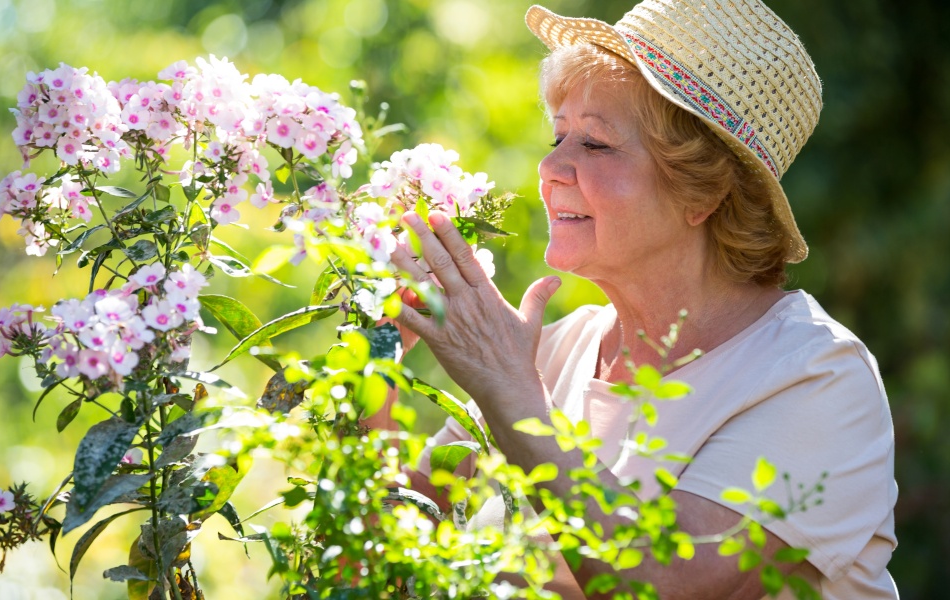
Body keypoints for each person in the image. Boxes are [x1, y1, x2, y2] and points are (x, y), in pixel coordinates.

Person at [373, 0, 899, 598]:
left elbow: (662, 582)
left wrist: (510, 394)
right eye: (559, 134)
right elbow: (379, 561)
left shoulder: (816, 377)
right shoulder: (553, 351)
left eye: (595, 144)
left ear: (702, 192)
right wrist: (374, 356)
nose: (549, 166)